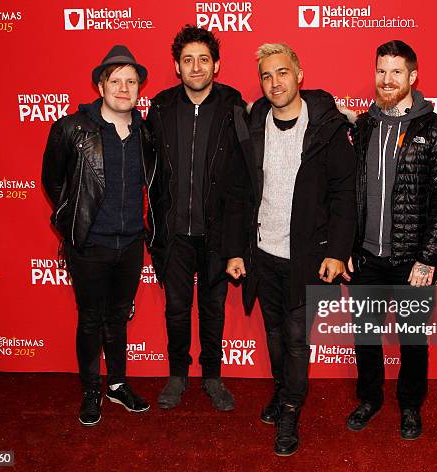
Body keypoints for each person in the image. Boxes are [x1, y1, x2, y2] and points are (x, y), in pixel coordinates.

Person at [225, 43, 356, 456]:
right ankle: (283, 392)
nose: (274, 82)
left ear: (299, 74)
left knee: (297, 340)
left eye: (282, 72)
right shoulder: (253, 123)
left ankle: (289, 412)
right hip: (263, 253)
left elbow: (344, 197)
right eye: (266, 75)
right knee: (276, 333)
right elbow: (239, 194)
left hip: (307, 258)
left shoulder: (327, 128)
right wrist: (235, 250)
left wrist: (337, 251)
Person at [343, 40, 437, 440]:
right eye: (381, 71)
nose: (387, 79)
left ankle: (410, 406)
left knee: (413, 341)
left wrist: (428, 258)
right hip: (367, 259)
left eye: (396, 71)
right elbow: (349, 194)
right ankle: (370, 398)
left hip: (414, 262)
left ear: (412, 76)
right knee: (366, 336)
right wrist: (349, 249)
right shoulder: (364, 128)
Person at [42, 45, 152, 425]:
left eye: (131, 81)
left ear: (139, 88)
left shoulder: (146, 132)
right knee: (90, 319)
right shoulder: (72, 128)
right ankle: (91, 390)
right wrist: (72, 220)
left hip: (132, 243)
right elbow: (51, 179)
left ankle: (117, 385)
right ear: (100, 85)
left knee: (118, 317)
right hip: (90, 245)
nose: (124, 88)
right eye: (116, 80)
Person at [146, 25, 246, 411]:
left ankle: (212, 377)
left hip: (217, 234)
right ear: (177, 67)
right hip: (174, 233)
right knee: (175, 307)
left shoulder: (233, 104)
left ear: (216, 65)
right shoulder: (160, 107)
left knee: (213, 308)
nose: (196, 66)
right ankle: (176, 375)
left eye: (203, 59)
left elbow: (242, 176)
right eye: (188, 60)